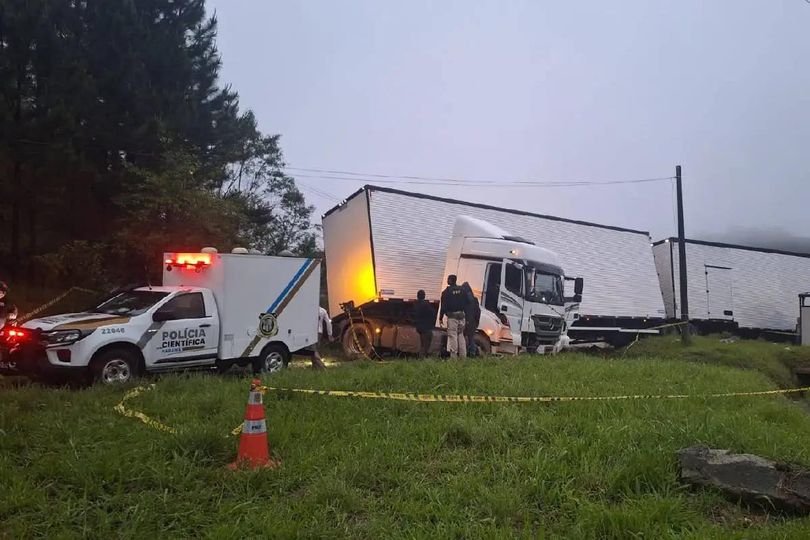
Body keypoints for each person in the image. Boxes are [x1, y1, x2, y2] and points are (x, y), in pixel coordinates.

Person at [439, 274, 468, 358]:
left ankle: (453, 357)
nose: (447, 281)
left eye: (448, 279)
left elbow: (443, 306)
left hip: (452, 317)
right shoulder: (463, 290)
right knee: (461, 335)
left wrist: (440, 318)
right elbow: (467, 302)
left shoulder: (446, 292)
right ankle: (463, 356)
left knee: (453, 336)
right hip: (462, 317)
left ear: (451, 280)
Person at [413, 289, 436, 359]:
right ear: (424, 296)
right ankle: (422, 357)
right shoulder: (425, 304)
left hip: (419, 326)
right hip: (425, 327)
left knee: (422, 342)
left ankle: (422, 357)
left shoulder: (416, 304)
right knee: (426, 343)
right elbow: (432, 313)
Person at [461, 282, 481, 357]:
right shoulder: (475, 300)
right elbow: (478, 312)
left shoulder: (463, 300)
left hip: (464, 321)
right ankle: (472, 353)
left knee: (461, 338)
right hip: (472, 323)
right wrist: (476, 322)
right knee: (471, 339)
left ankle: (462, 353)